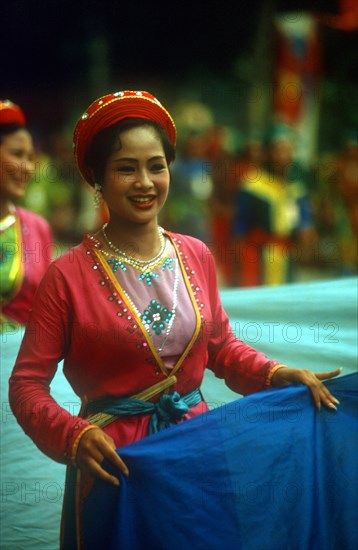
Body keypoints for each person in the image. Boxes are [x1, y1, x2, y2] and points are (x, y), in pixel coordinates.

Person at [9, 91, 341, 549]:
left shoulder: (196, 255)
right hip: (116, 464)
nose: (145, 182)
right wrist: (74, 436)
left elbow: (221, 347)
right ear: (96, 178)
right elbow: (26, 385)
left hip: (197, 452)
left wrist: (276, 373)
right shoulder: (66, 276)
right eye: (126, 168)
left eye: (156, 166)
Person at [232, 122, 316, 286]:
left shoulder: (296, 188)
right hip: (258, 257)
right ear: (267, 153)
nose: (282, 156)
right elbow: (240, 227)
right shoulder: (252, 185)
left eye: (287, 150)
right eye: (277, 150)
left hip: (287, 256)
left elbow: (305, 221)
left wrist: (306, 231)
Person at [0, 99, 53, 326]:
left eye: (30, 158)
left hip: (21, 358)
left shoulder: (36, 228)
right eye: (17, 154)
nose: (29, 167)